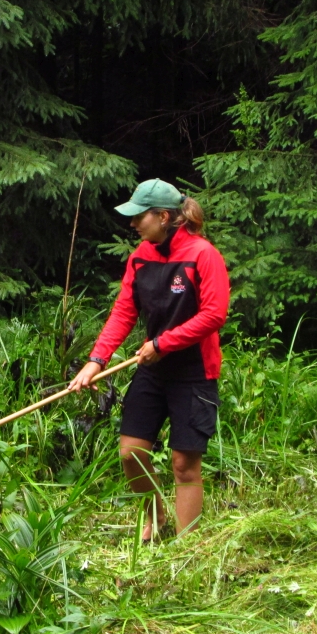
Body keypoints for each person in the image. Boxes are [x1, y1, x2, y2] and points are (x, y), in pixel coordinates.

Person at [68, 179, 229, 541]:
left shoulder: (203, 255)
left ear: (164, 216)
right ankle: (156, 520)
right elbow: (124, 312)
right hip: (153, 369)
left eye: (140, 217)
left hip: (194, 372)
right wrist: (96, 361)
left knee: (184, 465)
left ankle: (187, 548)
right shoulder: (140, 256)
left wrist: (164, 342)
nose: (133, 224)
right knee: (131, 453)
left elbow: (215, 314)